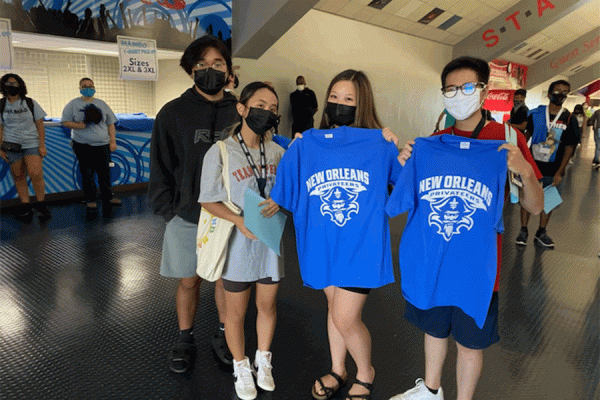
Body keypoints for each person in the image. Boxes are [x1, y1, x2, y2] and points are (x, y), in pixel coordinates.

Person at [389, 56, 543, 400]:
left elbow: (535, 206)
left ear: (484, 90)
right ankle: (430, 391)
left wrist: (526, 171)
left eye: (467, 87)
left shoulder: (506, 139)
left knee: (471, 344)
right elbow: (403, 195)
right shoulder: (434, 141)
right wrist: (403, 162)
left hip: (478, 268)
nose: (459, 94)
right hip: (435, 262)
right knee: (434, 331)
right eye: (451, 89)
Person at [274, 70, 401, 400]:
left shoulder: (379, 144)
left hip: (361, 246)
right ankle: (337, 368)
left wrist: (398, 150)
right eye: (334, 97)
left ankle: (365, 370)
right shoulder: (309, 144)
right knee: (335, 311)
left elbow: (403, 185)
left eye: (348, 99)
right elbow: (285, 190)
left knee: (346, 317)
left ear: (362, 104)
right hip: (323, 245)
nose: (339, 104)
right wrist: (295, 149)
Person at [148, 35, 239, 374]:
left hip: (231, 215)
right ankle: (185, 337)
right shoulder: (173, 113)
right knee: (189, 280)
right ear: (191, 71)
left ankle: (223, 332)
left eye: (217, 64)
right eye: (202, 66)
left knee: (226, 281)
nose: (210, 71)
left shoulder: (239, 110)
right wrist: (168, 211)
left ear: (228, 70)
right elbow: (160, 164)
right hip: (187, 214)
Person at [200, 82, 284, 400]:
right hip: (237, 243)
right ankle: (241, 364)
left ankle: (263, 359)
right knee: (235, 313)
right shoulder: (221, 151)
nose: (267, 112)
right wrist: (238, 220)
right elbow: (208, 200)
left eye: (273, 108)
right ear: (242, 108)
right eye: (260, 104)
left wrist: (280, 199)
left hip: (271, 241)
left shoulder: (277, 151)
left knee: (267, 305)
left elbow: (288, 188)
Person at [515, 80, 579, 248]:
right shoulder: (536, 114)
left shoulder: (569, 118)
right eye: (558, 91)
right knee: (527, 196)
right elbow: (526, 136)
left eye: (565, 92)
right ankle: (523, 230)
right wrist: (520, 160)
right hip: (533, 164)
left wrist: (560, 171)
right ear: (550, 94)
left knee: (549, 199)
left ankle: (541, 232)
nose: (561, 95)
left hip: (553, 166)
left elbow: (569, 147)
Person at [61, 77, 121, 209]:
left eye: (90, 86)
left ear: (94, 88)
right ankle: (90, 199)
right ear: (80, 88)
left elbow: (111, 123)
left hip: (103, 145)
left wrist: (113, 142)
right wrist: (79, 126)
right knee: (87, 173)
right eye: (84, 86)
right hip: (83, 145)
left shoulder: (102, 104)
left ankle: (108, 197)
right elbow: (65, 122)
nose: (88, 88)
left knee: (104, 173)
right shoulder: (73, 104)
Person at [0, 73, 50, 220]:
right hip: (10, 146)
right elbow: (0, 128)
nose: (12, 86)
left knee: (36, 174)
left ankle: (41, 204)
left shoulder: (30, 103)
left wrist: (42, 145)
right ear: (3, 86)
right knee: (19, 176)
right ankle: (26, 207)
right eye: (8, 83)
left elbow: (40, 125)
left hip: (31, 144)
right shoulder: (1, 105)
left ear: (20, 85)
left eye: (15, 83)